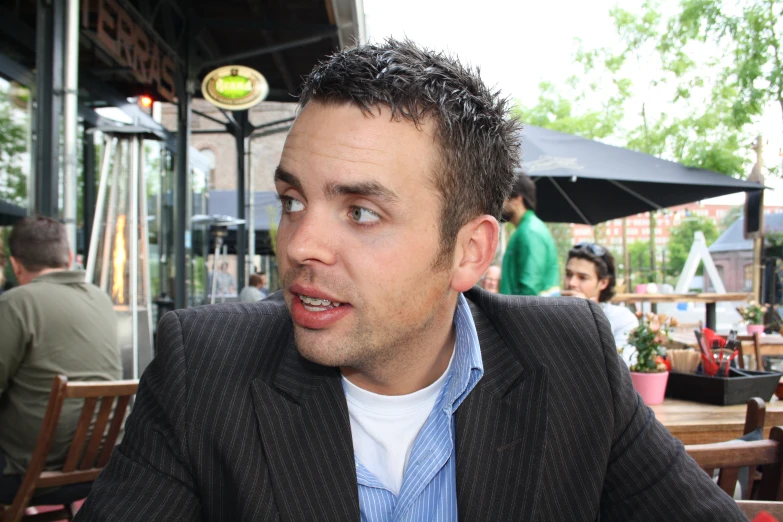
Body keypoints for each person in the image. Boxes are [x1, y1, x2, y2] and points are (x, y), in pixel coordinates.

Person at [75, 40, 743, 521]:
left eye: (361, 213)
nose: (300, 244)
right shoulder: (205, 371)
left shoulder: (568, 358)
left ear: (469, 251)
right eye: (291, 201)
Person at [0, 216, 121, 503]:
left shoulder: (15, 304)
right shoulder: (100, 298)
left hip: (30, 475)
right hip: (102, 468)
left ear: (16, 265)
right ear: (68, 258)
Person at [562, 242, 639, 365]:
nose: (571, 283)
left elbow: (621, 370)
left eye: (582, 277)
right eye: (568, 274)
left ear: (603, 283)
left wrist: (586, 315)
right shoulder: (548, 313)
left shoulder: (622, 319)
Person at [499, 173, 560, 296]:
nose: (501, 204)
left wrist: (512, 313)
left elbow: (530, 286)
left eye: (504, 197)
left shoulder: (530, 231)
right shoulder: (525, 229)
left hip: (527, 312)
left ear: (517, 199)